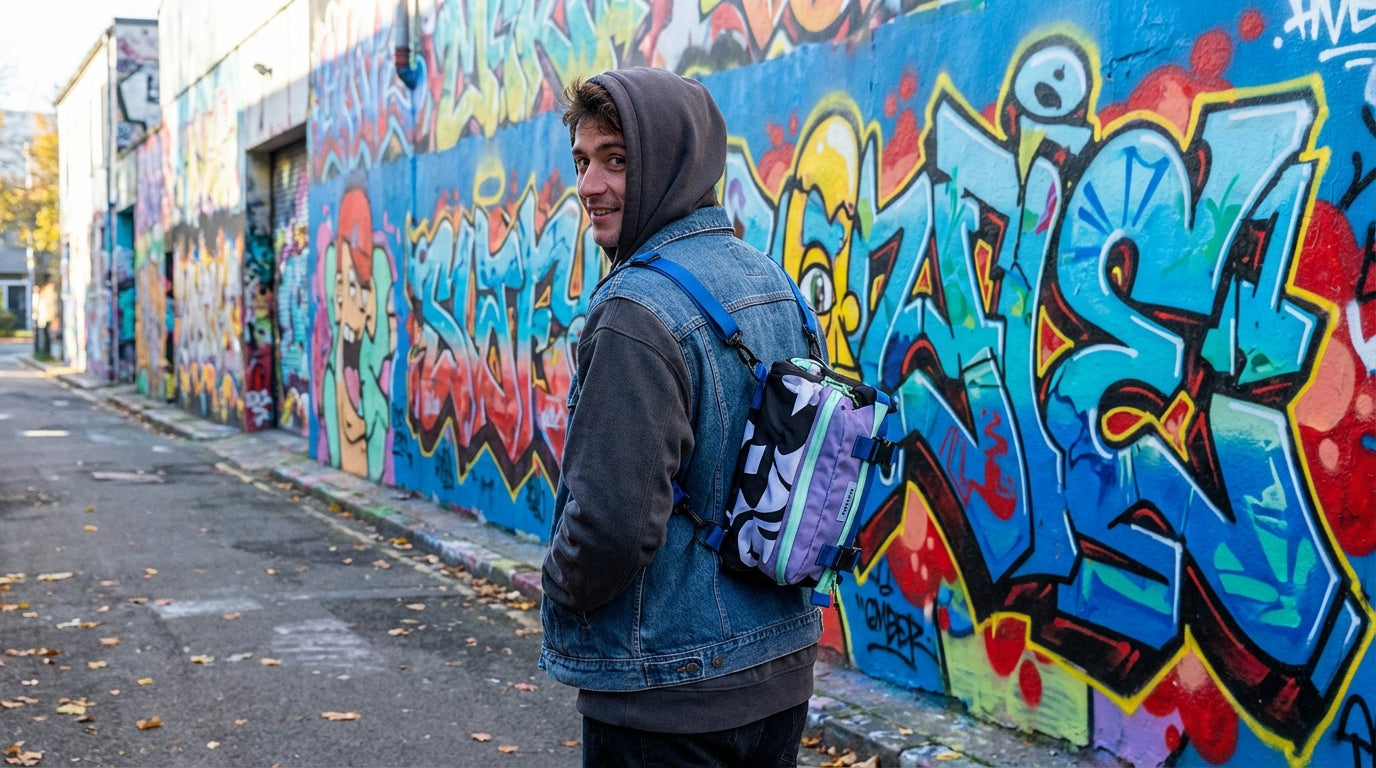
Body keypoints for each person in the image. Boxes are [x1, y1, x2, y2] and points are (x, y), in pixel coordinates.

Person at [539, 67, 823, 767]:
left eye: (617, 160)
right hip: (779, 669)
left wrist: (558, 587)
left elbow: (610, 525)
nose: (589, 187)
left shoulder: (635, 311)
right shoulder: (773, 281)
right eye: (582, 161)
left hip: (667, 693)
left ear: (672, 162)